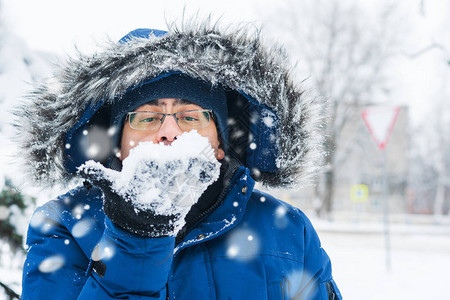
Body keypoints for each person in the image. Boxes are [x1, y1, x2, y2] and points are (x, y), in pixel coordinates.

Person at [17, 18, 342, 299]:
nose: (170, 131)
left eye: (191, 117)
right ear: (118, 144)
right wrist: (135, 238)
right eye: (147, 118)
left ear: (220, 145)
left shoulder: (287, 230)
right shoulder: (65, 226)